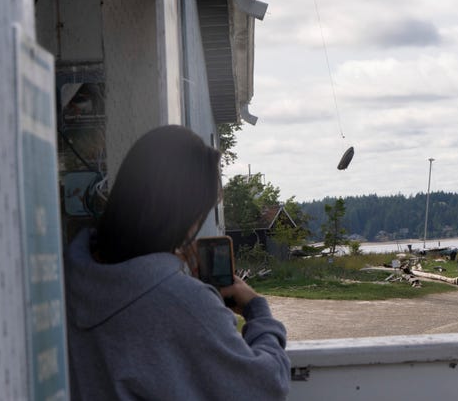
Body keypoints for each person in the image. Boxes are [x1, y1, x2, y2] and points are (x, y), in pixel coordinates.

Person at [64, 125, 290, 400]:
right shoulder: (184, 303)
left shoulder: (63, 283)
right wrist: (257, 310)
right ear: (186, 216)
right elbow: (267, 386)